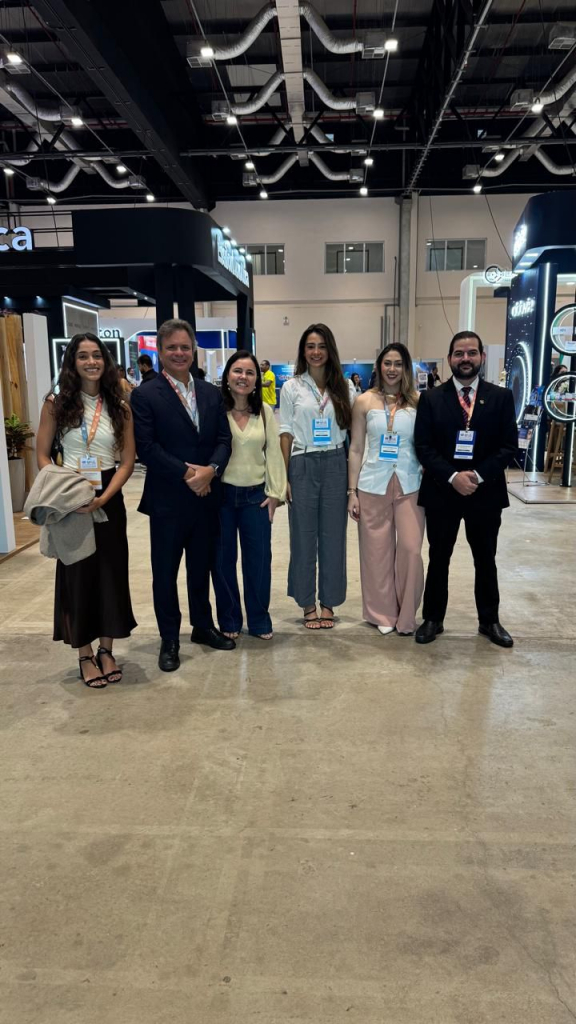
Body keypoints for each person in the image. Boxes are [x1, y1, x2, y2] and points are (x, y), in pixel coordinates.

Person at [131, 318, 234, 672]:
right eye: (172, 347)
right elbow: (147, 447)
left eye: (185, 347)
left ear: (193, 351)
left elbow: (224, 440)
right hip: (168, 500)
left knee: (201, 567)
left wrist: (211, 470)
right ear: (160, 352)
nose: (179, 353)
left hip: (207, 497)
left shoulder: (210, 392)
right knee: (165, 573)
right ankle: (170, 638)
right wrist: (190, 474)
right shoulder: (145, 394)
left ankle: (202, 626)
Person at [36, 332, 137, 688]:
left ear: (105, 361)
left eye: (97, 355)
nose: (91, 362)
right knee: (77, 575)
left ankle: (107, 650)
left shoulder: (120, 405)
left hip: (108, 495)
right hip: (70, 495)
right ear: (72, 362)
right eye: (83, 356)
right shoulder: (56, 404)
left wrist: (103, 498)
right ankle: (84, 653)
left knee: (110, 573)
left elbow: (127, 461)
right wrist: (65, 491)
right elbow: (42, 456)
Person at [414, 330, 518, 648]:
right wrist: (452, 477)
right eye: (459, 353)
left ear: (482, 357)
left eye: (472, 352)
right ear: (449, 359)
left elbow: (508, 446)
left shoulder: (500, 397)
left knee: (485, 558)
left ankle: (489, 621)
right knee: (439, 557)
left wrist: (476, 475)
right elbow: (423, 446)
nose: (465, 358)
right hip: (442, 491)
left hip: (485, 493)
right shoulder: (431, 398)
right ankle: (433, 618)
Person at [279, 323, 355, 629]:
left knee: (334, 537)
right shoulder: (291, 387)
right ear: (303, 351)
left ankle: (329, 602)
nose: (316, 352)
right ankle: (307, 602)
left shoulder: (345, 387)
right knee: (303, 536)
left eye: (322, 346)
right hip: (302, 462)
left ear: (330, 350)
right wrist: (284, 477)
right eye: (310, 346)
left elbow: (354, 433)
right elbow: (285, 432)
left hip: (336, 462)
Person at [348, 343, 424, 636]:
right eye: (387, 363)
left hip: (410, 484)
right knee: (376, 553)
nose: (392, 369)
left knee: (411, 550)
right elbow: (356, 448)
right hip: (372, 484)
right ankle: (382, 613)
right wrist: (352, 492)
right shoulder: (364, 401)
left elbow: (425, 444)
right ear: (379, 366)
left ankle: (406, 614)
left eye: (398, 364)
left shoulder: (418, 401)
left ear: (406, 368)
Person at [212, 351, 287, 640]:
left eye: (249, 372)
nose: (243, 377)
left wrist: (275, 493)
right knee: (222, 561)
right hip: (221, 497)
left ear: (258, 379)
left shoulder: (264, 412)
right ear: (227, 376)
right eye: (237, 371)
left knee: (258, 561)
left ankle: (259, 620)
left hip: (256, 497)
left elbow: (274, 454)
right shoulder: (215, 410)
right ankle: (229, 619)